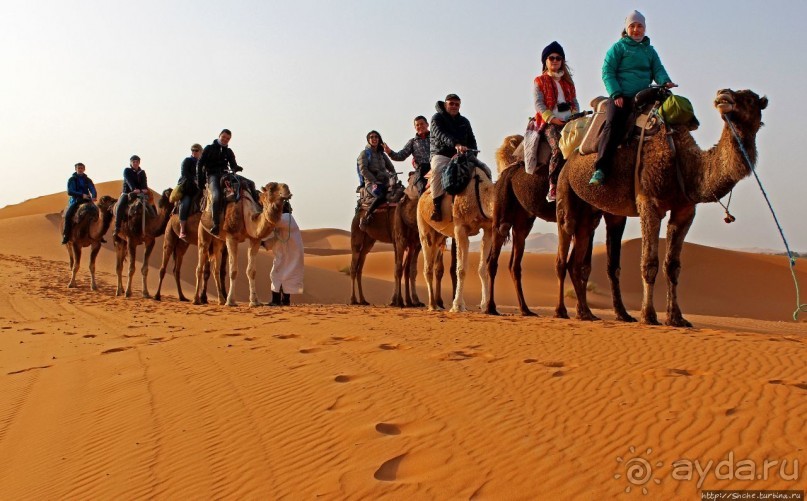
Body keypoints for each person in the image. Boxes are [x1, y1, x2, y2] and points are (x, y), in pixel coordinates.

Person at [589, 10, 676, 186]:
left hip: (644, 95)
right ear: (626, 28)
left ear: (644, 28)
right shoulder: (618, 48)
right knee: (612, 124)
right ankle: (601, 168)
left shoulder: (650, 51)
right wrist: (616, 94)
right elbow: (607, 72)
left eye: (639, 26)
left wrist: (665, 81)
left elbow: (657, 69)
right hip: (622, 96)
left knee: (667, 118)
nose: (636, 29)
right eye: (632, 26)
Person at [429, 93, 489, 221]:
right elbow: (441, 135)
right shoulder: (436, 118)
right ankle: (437, 207)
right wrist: (456, 144)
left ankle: (485, 205)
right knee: (437, 171)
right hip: (441, 154)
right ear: (445, 104)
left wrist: (472, 154)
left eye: (457, 104)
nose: (454, 106)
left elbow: (472, 140)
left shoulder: (464, 121)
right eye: (451, 104)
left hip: (463, 155)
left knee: (486, 170)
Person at [533, 41, 579, 201]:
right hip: (549, 123)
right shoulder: (539, 81)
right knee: (558, 149)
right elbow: (538, 103)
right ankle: (553, 186)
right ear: (545, 60)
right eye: (551, 58)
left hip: (569, 121)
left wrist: (575, 115)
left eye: (558, 58)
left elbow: (574, 102)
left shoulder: (568, 83)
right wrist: (552, 119)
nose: (555, 61)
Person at [197, 129, 241, 235]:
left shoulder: (228, 151)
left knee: (246, 186)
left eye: (228, 138)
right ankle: (216, 224)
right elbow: (200, 164)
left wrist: (236, 167)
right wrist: (200, 180)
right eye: (224, 137)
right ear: (219, 136)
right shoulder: (209, 148)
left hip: (226, 175)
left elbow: (233, 164)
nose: (225, 140)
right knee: (216, 196)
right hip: (212, 176)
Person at [263, 200, 304, 306]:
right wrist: (264, 244)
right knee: (281, 276)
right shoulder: (285, 222)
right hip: (286, 255)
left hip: (290, 256)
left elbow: (271, 222)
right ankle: (282, 301)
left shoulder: (287, 218)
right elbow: (277, 239)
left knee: (283, 276)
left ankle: (279, 301)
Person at [357, 130, 396, 230]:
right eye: (372, 137)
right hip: (371, 183)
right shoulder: (364, 154)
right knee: (381, 196)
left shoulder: (382, 154)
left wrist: (393, 176)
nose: (374, 139)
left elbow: (391, 168)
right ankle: (366, 216)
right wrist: (374, 180)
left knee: (403, 195)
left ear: (379, 139)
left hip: (386, 182)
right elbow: (363, 170)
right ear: (368, 140)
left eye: (376, 137)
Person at [384, 116, 431, 195]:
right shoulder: (413, 142)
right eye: (417, 125)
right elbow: (401, 155)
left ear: (427, 124)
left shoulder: (435, 138)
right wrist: (390, 152)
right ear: (415, 127)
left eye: (422, 124)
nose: (420, 126)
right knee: (422, 188)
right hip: (422, 170)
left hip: (436, 166)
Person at [112, 155, 149, 242]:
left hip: (139, 194)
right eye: (133, 162)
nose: (135, 163)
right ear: (131, 163)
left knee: (150, 207)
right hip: (127, 193)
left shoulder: (142, 172)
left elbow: (144, 182)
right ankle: (117, 227)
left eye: (137, 162)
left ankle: (152, 226)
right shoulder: (127, 171)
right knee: (120, 206)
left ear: (139, 163)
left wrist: (143, 189)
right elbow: (129, 181)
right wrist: (133, 189)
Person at [61, 162, 98, 244]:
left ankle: (99, 235)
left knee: (97, 212)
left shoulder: (87, 180)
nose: (80, 170)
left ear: (84, 169)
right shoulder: (72, 179)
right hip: (76, 200)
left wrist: (94, 195)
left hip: (87, 200)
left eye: (81, 168)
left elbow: (92, 188)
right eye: (78, 168)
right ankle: (66, 235)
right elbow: (70, 191)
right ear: (76, 169)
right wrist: (81, 195)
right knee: (68, 216)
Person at [177, 143, 203, 241]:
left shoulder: (202, 163)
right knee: (185, 204)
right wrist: (194, 179)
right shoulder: (187, 161)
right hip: (188, 189)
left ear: (201, 152)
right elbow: (184, 173)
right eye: (193, 150)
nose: (194, 152)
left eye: (196, 150)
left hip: (200, 189)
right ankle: (182, 229)